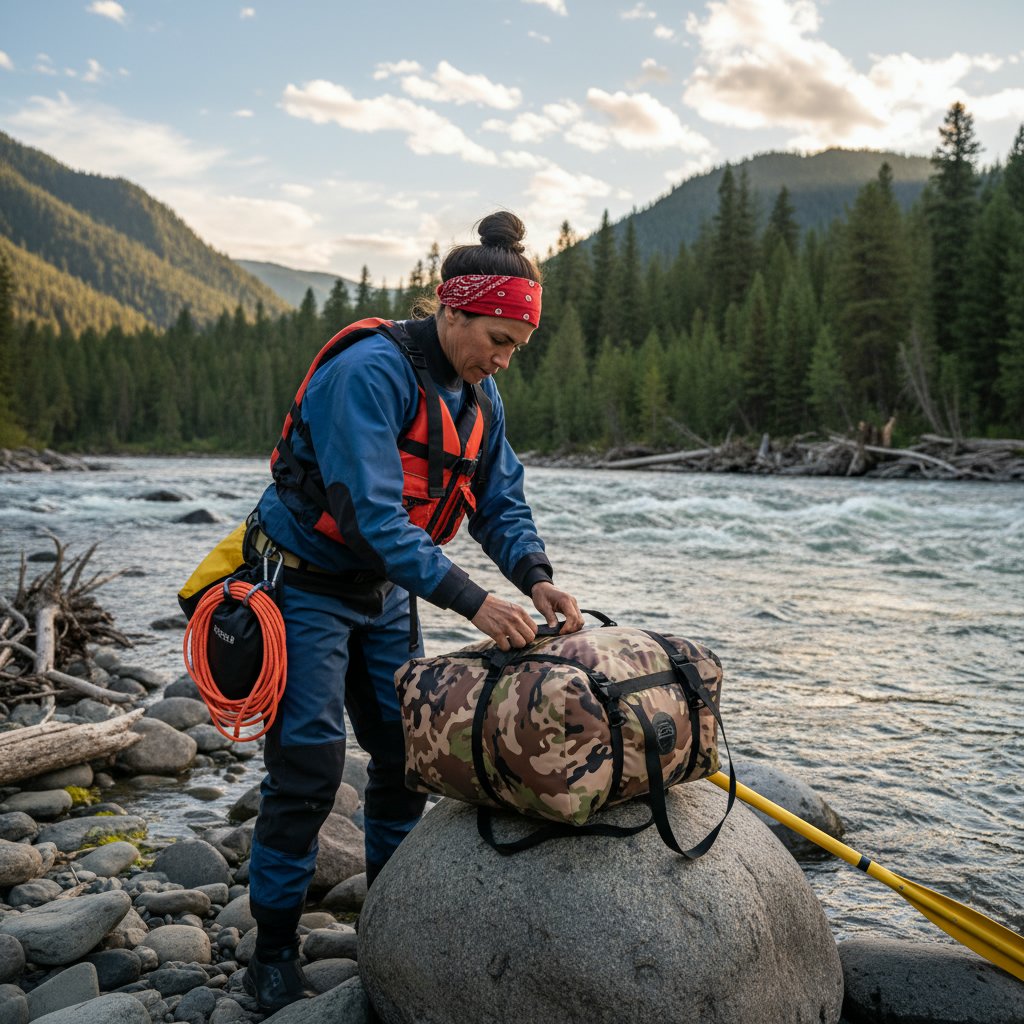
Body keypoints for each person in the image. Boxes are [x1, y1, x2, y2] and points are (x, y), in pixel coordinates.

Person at [242, 210, 584, 1011]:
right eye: (495, 339)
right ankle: (270, 946)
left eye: (515, 348)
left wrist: (535, 577)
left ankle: (392, 920)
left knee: (404, 755)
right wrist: (473, 602)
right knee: (310, 762)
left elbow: (499, 500)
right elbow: (368, 514)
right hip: (304, 583)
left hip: (387, 591)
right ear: (450, 309)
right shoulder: (367, 373)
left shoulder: (481, 398)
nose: (502, 360)